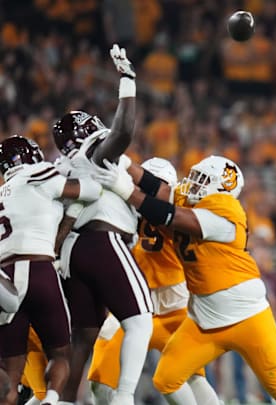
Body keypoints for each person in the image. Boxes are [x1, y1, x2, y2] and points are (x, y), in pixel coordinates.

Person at [93, 154, 276, 405]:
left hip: (247, 315)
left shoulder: (226, 212)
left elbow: (174, 216)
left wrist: (126, 189)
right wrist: (127, 164)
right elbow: (160, 189)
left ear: (221, 188)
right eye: (195, 176)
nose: (193, 183)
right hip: (203, 318)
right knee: (166, 379)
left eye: (202, 179)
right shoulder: (196, 200)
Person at [51, 44, 153, 405]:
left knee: (83, 337)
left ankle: (61, 401)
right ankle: (124, 398)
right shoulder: (91, 153)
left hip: (75, 251)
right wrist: (127, 82)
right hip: (104, 242)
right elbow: (122, 134)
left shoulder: (63, 168)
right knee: (141, 320)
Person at [86, 157, 218, 405]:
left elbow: (157, 209)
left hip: (172, 303)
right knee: (101, 378)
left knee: (186, 377)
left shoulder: (176, 210)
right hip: (133, 297)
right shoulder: (128, 203)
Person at [0, 135, 104, 405]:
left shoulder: (3, 193)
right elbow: (92, 190)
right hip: (38, 270)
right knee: (60, 355)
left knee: (10, 377)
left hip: (5, 280)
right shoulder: (37, 174)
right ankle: (53, 399)